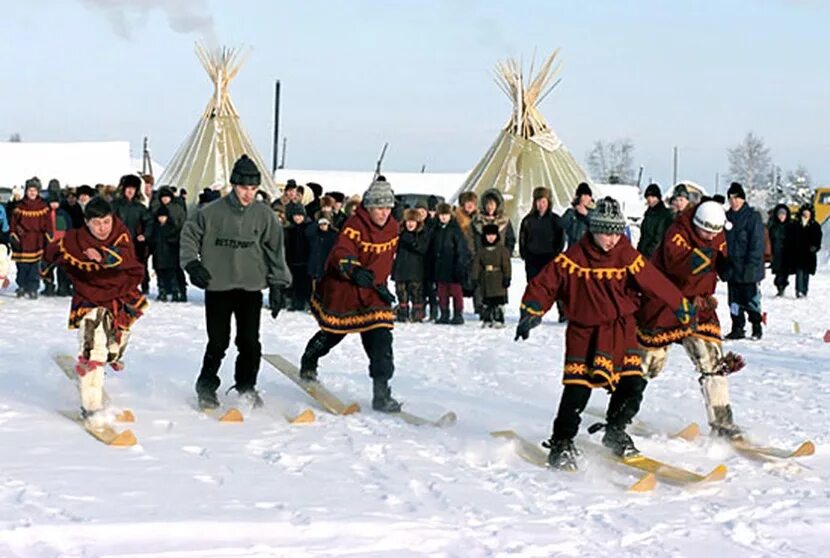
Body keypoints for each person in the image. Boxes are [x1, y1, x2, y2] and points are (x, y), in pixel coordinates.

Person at [515, 197, 692, 470]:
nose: (611, 239)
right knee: (577, 389)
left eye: (615, 232)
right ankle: (561, 442)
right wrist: (532, 310)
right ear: (593, 230)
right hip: (584, 332)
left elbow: (654, 281)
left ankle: (616, 431)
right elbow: (546, 283)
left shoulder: (627, 255)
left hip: (620, 330)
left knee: (632, 383)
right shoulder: (574, 257)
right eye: (605, 232)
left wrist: (679, 304)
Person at [180, 155, 292, 409]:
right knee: (218, 341)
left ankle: (246, 386)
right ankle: (206, 385)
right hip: (218, 285)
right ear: (233, 185)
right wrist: (192, 263)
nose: (248, 194)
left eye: (253, 189)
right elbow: (189, 236)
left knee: (250, 342)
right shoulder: (211, 212)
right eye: (244, 188)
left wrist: (278, 285)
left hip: (250, 287)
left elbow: (276, 250)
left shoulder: (264, 215)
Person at [637, 200, 743, 438]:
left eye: (715, 233)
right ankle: (622, 411)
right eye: (706, 232)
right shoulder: (676, 233)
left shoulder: (717, 233)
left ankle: (723, 423)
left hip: (700, 305)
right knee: (648, 365)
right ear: (696, 224)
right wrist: (712, 257)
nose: (711, 236)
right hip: (666, 304)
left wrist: (726, 264)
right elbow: (679, 265)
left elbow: (720, 253)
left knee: (713, 361)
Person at [299, 178, 402, 412]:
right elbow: (341, 251)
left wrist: (382, 283)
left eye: (388, 208)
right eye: (379, 208)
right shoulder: (355, 225)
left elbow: (385, 260)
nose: (384, 213)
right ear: (369, 206)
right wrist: (353, 269)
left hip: (374, 293)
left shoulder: (394, 227)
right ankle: (309, 360)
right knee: (333, 334)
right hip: (346, 289)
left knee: (381, 341)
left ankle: (381, 392)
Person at [43, 197, 147, 423]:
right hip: (89, 297)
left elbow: (127, 259)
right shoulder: (75, 239)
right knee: (94, 351)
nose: (103, 228)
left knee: (113, 349)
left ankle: (111, 357)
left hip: (120, 296)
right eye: (97, 223)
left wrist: (103, 256)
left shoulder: (120, 234)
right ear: (87, 222)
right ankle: (91, 407)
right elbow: (52, 252)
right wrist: (46, 272)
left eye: (106, 221)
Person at [724, 182, 765, 340]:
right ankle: (737, 327)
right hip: (732, 268)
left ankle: (756, 326)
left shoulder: (752, 217)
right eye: (731, 198)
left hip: (749, 267)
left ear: (743, 199)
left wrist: (752, 265)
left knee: (751, 300)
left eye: (736, 198)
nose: (734, 202)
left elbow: (757, 243)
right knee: (734, 301)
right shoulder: (727, 218)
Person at [519, 186, 565, 322]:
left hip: (550, 258)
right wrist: (525, 254)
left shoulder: (555, 220)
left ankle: (563, 313)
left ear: (548, 202)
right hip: (533, 259)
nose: (541, 204)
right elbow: (522, 238)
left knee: (555, 287)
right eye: (538, 201)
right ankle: (531, 313)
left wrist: (556, 255)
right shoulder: (528, 220)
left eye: (544, 201)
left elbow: (560, 239)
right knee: (533, 287)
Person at [113, 175, 155, 295]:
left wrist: (145, 235)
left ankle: (144, 285)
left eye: (133, 189)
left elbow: (149, 221)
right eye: (128, 189)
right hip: (119, 241)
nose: (130, 191)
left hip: (136, 242)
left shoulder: (140, 208)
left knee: (140, 265)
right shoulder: (115, 206)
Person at [430, 202, 470, 325]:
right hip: (440, 267)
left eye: (446, 215)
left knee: (456, 293)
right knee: (442, 293)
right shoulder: (436, 229)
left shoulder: (455, 230)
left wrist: (460, 265)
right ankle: (444, 313)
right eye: (441, 215)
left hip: (453, 267)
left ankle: (458, 314)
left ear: (450, 216)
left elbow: (462, 249)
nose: (443, 217)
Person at [10, 178, 50, 299]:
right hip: (22, 240)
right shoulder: (19, 206)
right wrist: (13, 235)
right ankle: (22, 286)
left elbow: (48, 224)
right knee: (22, 266)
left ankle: (33, 288)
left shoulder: (43, 206)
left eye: (34, 190)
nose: (32, 193)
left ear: (38, 191)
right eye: (30, 190)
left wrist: (48, 236)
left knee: (34, 267)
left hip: (37, 240)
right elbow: (14, 223)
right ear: (26, 191)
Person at [392, 208, 429, 322]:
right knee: (401, 291)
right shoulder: (400, 232)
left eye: (413, 221)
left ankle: (417, 312)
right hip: (401, 267)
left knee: (416, 291)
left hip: (416, 269)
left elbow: (422, 248)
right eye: (408, 221)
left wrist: (410, 241)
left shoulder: (422, 233)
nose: (410, 224)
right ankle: (403, 312)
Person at [472, 223, 511, 328]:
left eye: (493, 235)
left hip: (498, 279)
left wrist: (507, 277)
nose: (491, 238)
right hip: (486, 278)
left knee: (497, 302)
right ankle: (487, 318)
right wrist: (475, 277)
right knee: (487, 302)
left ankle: (499, 319)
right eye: (488, 235)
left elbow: (506, 264)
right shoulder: (481, 250)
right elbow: (477, 264)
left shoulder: (502, 250)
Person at [41, 192, 72, 296]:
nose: (54, 205)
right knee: (46, 266)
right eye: (52, 202)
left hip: (61, 244)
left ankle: (63, 287)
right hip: (48, 244)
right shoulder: (45, 214)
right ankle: (49, 286)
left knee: (63, 267)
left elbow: (69, 228)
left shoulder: (63, 214)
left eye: (56, 202)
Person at [789, 204, 823, 298]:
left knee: (806, 273)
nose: (806, 215)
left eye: (808, 213)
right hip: (798, 253)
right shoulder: (796, 224)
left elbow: (818, 238)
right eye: (804, 213)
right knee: (799, 272)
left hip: (809, 254)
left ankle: (804, 290)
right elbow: (791, 237)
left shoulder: (815, 225)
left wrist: (815, 247)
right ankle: (799, 290)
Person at [284, 202, 312, 311]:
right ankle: (296, 303)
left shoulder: (309, 228)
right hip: (293, 261)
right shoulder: (290, 228)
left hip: (305, 261)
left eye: (300, 215)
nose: (297, 218)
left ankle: (306, 302)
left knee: (306, 284)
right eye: (295, 215)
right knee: (295, 284)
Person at [149, 205, 181, 301]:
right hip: (158, 255)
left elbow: (176, 239)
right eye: (160, 217)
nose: (162, 219)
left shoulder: (171, 227)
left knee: (172, 276)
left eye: (164, 217)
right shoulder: (155, 228)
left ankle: (175, 292)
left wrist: (171, 241)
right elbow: (151, 240)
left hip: (170, 256)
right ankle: (162, 292)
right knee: (160, 276)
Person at [637, 183, 673, 258]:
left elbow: (659, 238)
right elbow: (643, 236)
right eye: (648, 197)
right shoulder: (648, 214)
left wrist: (648, 255)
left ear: (658, 198)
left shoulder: (664, 215)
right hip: (643, 254)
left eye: (653, 197)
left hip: (655, 257)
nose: (650, 199)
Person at [767, 204, 793, 297]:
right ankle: (779, 287)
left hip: (787, 253)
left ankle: (782, 288)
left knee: (784, 273)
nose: (782, 217)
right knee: (778, 272)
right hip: (776, 252)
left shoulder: (790, 226)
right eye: (780, 215)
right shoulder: (773, 226)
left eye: (783, 215)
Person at [560, 182, 593, 248]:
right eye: (583, 195)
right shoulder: (571, 212)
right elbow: (561, 226)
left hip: (587, 250)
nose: (586, 198)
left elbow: (597, 228)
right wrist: (572, 212)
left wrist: (586, 215)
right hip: (573, 249)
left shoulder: (594, 213)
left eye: (588, 196)